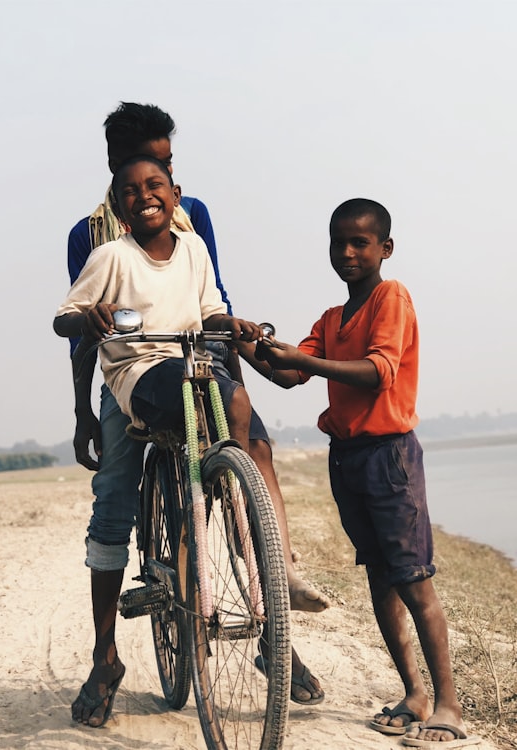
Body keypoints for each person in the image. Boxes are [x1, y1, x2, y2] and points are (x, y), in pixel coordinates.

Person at [63, 103, 329, 727]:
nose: (163, 178)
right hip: (130, 371)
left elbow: (214, 302)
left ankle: (272, 611)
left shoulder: (194, 218)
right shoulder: (90, 237)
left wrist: (255, 359)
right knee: (113, 507)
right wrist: (82, 414)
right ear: (117, 173)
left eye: (168, 166)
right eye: (151, 164)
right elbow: (82, 330)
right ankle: (105, 659)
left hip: (200, 355)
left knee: (251, 451)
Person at [255, 198, 480, 748]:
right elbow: (289, 374)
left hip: (390, 458)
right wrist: (250, 348)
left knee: (413, 579)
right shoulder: (331, 320)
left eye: (360, 242)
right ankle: (414, 694)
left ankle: (447, 704)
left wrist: (303, 361)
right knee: (380, 578)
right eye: (339, 242)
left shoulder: (391, 297)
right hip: (348, 460)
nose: (349, 252)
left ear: (386, 248)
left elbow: (379, 373)